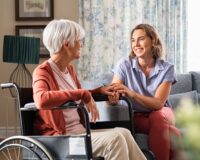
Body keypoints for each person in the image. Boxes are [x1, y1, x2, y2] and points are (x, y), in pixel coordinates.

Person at [32, 19, 146, 160]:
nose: (82, 44)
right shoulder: (42, 71)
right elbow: (41, 100)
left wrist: (98, 91)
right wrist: (82, 93)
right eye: (79, 40)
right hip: (62, 139)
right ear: (66, 44)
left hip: (79, 132)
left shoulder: (69, 70)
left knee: (124, 133)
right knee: (115, 139)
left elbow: (74, 96)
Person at [110, 24, 180, 160]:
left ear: (152, 40)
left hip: (163, 113)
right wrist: (114, 96)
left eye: (141, 39)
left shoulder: (167, 68)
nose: (136, 44)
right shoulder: (124, 64)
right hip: (137, 116)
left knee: (158, 116)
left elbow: (158, 104)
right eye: (133, 40)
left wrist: (132, 93)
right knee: (174, 133)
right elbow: (114, 89)